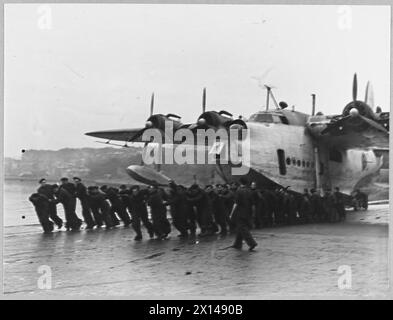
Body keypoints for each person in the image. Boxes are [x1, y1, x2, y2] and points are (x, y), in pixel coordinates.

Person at [230, 177, 257, 251]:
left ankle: (252, 243)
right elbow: (253, 203)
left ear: (240, 182)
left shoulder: (239, 191)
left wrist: (231, 214)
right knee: (240, 228)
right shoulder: (249, 191)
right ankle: (237, 244)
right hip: (248, 212)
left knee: (242, 228)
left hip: (240, 213)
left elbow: (236, 203)